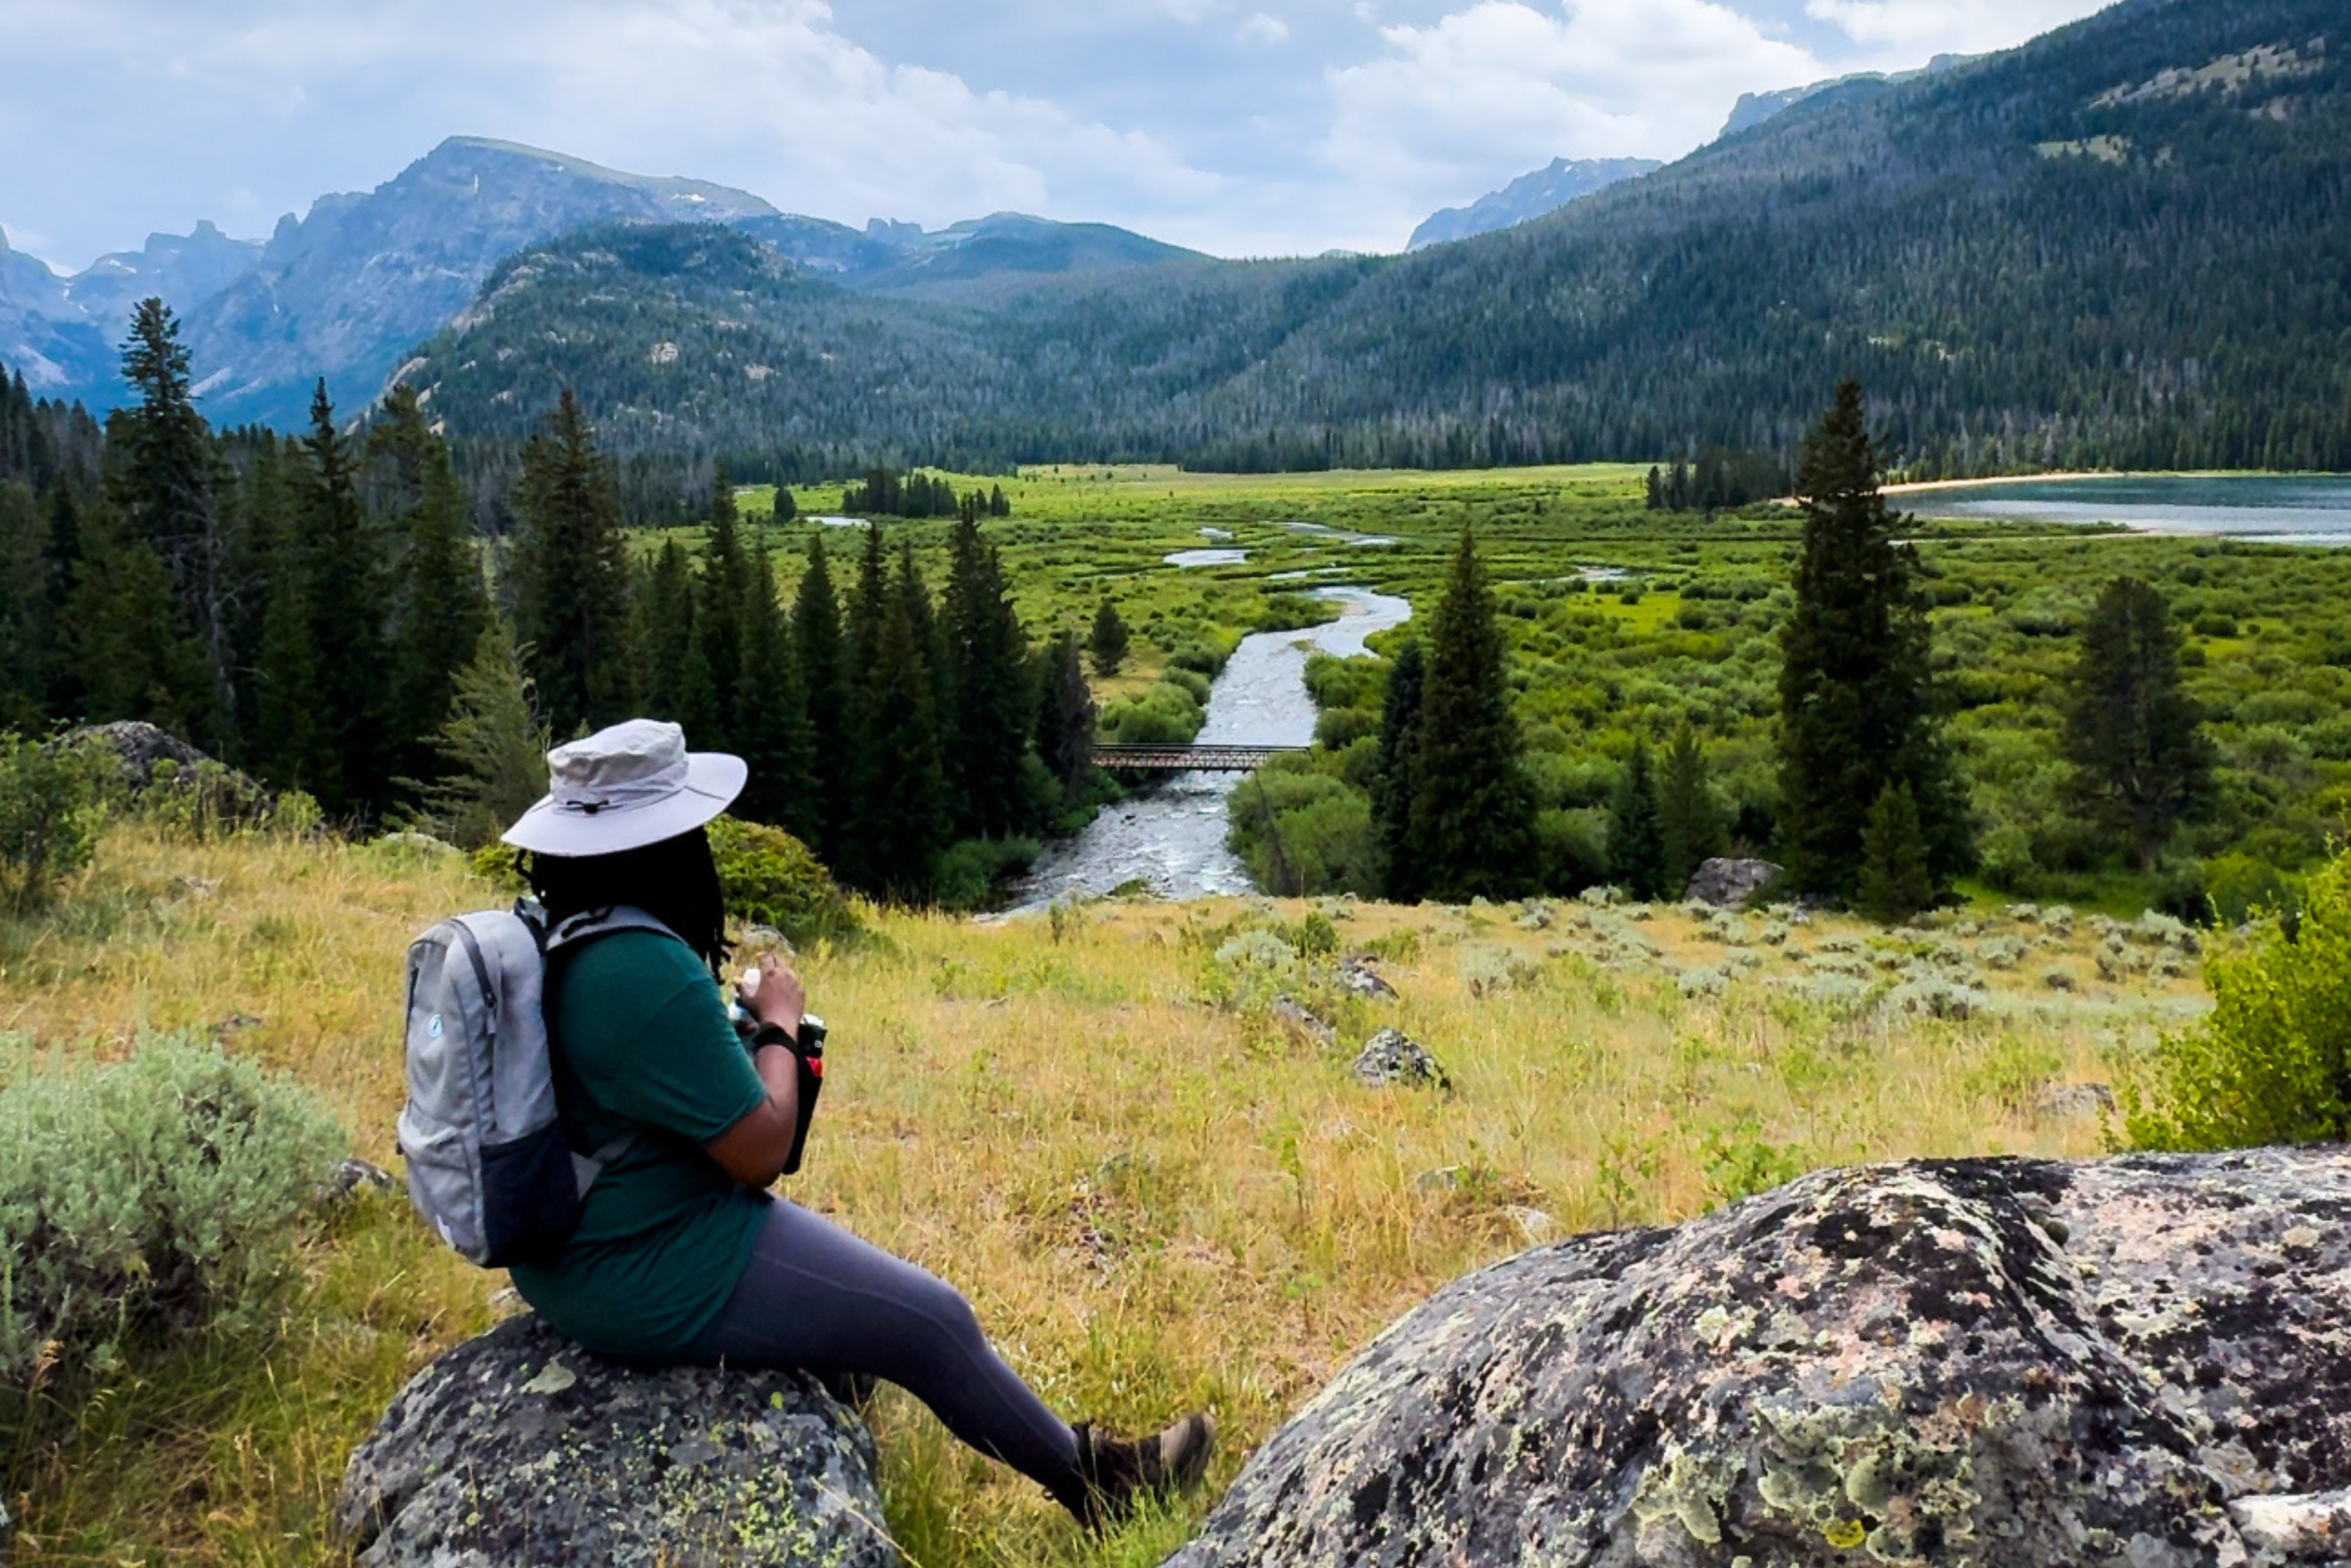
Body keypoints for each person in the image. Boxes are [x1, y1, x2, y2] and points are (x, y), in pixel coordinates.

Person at [501, 718, 1214, 1527]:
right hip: (643, 1262)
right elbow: (761, 1150)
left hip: (583, 1245)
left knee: (852, 1292)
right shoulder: (639, 966)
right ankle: (1102, 1488)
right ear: (660, 838)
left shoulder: (563, 926)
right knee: (932, 1320)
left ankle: (839, 1382)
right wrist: (779, 1022)